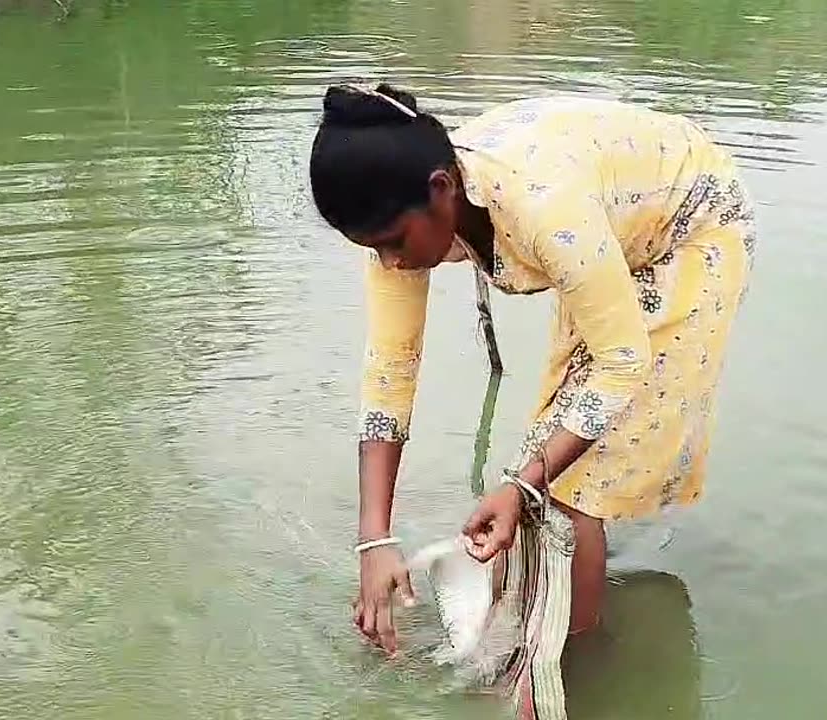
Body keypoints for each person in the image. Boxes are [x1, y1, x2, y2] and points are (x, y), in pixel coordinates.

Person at [308, 84, 756, 656]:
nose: (391, 262)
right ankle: (536, 621)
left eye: (394, 243)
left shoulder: (543, 209)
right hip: (603, 237)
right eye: (374, 250)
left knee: (571, 487)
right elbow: (389, 374)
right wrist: (374, 538)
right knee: (554, 454)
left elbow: (623, 363)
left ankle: (571, 666)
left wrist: (521, 484)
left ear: (442, 190)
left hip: (691, 228)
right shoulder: (400, 218)